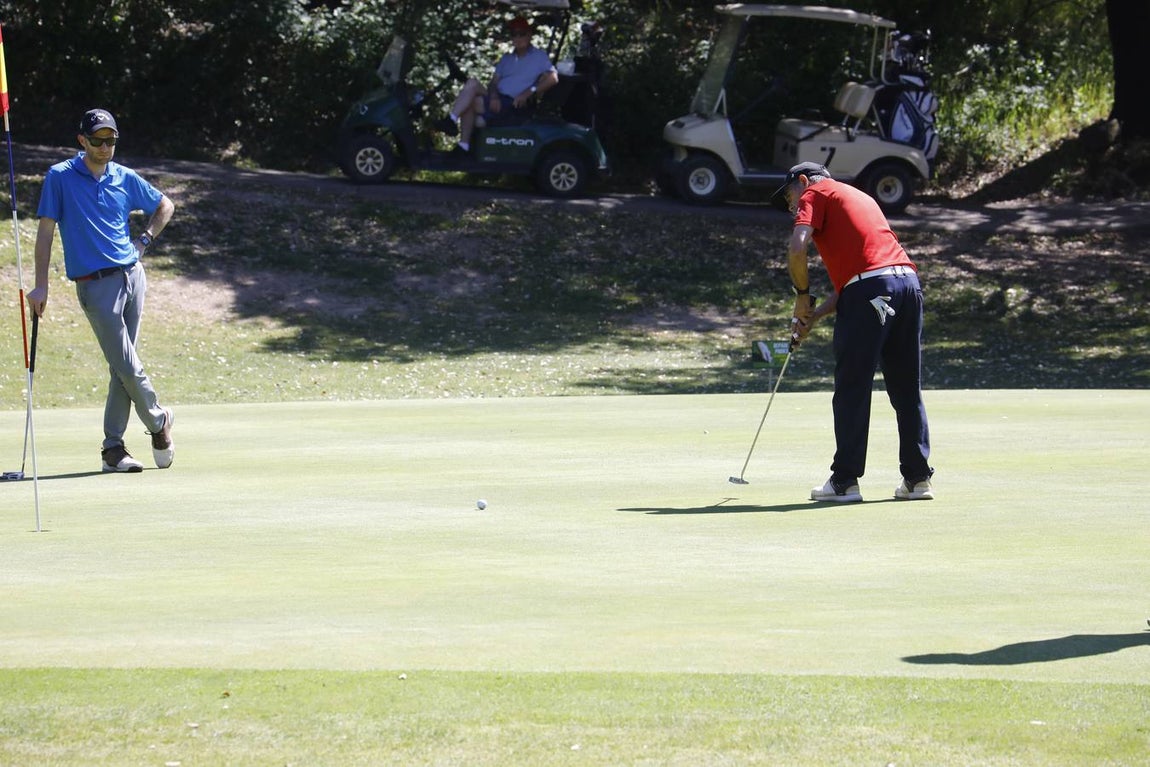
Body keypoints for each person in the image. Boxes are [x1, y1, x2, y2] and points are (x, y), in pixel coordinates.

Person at [27, 108, 176, 473]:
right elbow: (45, 233)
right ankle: (159, 421)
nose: (106, 147)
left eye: (111, 140)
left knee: (120, 367)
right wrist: (41, 284)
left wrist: (144, 240)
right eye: (98, 140)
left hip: (132, 275)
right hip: (95, 285)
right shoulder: (60, 177)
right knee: (126, 363)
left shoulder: (124, 177)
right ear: (82, 141)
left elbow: (164, 205)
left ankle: (113, 450)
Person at [776, 161, 933, 503]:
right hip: (907, 285)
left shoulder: (814, 192)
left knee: (852, 386)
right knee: (906, 387)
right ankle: (918, 478)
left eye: (790, 195)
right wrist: (815, 314)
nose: (792, 205)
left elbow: (798, 247)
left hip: (873, 288)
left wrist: (802, 297)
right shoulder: (857, 196)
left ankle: (845, 481)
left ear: (802, 181)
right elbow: (860, 278)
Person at [434, 16, 558, 153]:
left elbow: (553, 78)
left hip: (514, 104)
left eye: (522, 33)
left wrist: (528, 92)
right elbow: (493, 82)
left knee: (471, 103)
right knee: (472, 82)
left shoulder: (539, 56)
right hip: (498, 99)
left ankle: (462, 142)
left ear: (529, 35)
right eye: (514, 34)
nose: (518, 37)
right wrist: (493, 96)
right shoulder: (507, 58)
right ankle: (453, 123)